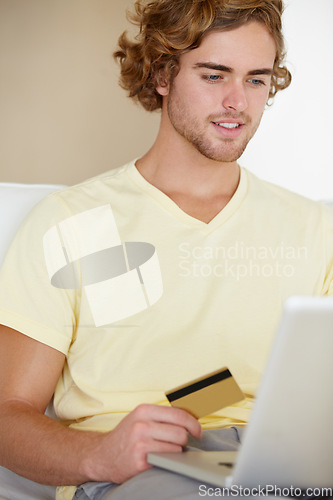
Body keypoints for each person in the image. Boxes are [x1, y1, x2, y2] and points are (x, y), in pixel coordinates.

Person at [0, 0, 332, 499]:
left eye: (257, 79)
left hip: (288, 466)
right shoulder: (70, 223)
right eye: (215, 75)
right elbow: (8, 415)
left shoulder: (318, 229)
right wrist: (99, 455)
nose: (237, 102)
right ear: (161, 74)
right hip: (141, 474)